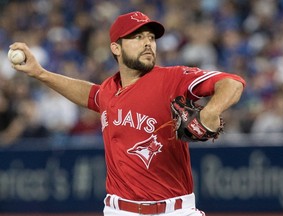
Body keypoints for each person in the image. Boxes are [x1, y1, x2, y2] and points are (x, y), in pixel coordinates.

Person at [10, 11, 245, 216]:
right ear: (116, 47)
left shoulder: (172, 79)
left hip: (175, 210)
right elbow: (91, 95)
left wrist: (211, 110)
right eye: (137, 37)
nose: (148, 43)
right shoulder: (109, 90)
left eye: (151, 38)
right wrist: (40, 73)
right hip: (118, 210)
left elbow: (232, 82)